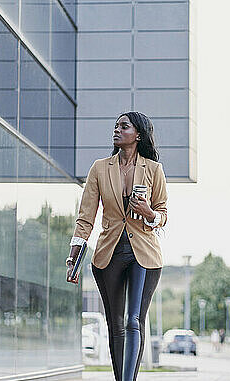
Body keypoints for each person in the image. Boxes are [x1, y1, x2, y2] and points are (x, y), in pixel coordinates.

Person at [66, 111, 168, 381]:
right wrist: (73, 259)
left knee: (134, 320)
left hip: (144, 254)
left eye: (124, 126)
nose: (117, 129)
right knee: (115, 326)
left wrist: (148, 213)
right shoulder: (100, 168)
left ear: (138, 134)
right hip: (108, 254)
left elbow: (163, 214)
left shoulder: (153, 169)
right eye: (116, 126)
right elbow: (85, 217)